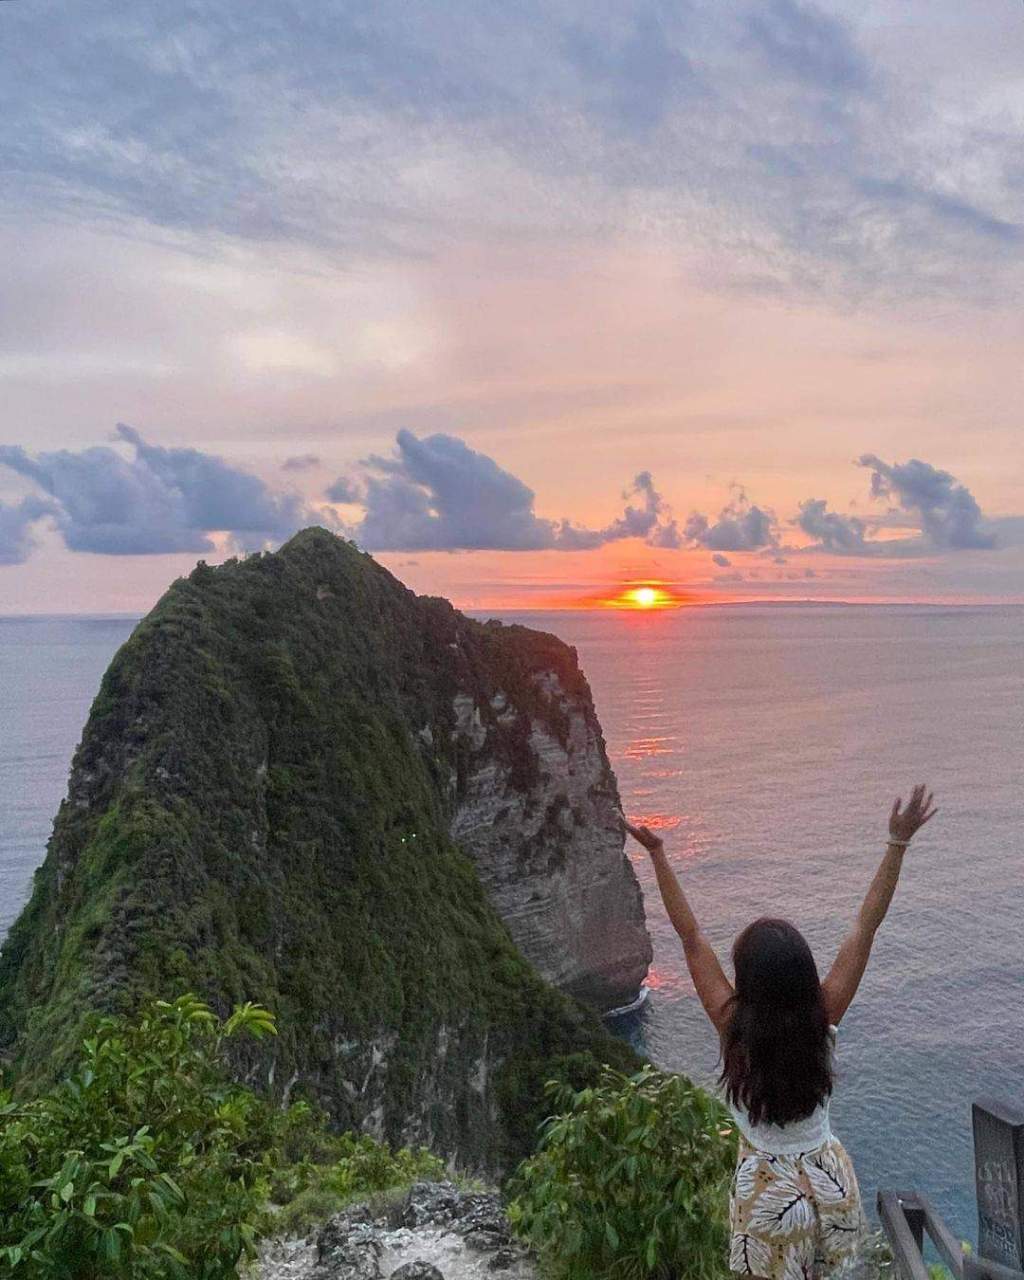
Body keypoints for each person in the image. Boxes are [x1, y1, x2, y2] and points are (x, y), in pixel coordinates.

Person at [624, 783, 938, 1280]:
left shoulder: (733, 1024)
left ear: (746, 980)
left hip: (766, 1189)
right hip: (830, 1178)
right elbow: (865, 926)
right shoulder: (823, 1017)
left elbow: (690, 937)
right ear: (802, 973)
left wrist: (659, 855)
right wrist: (897, 844)